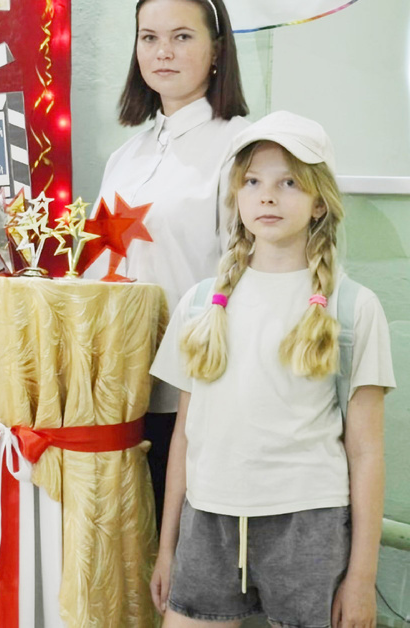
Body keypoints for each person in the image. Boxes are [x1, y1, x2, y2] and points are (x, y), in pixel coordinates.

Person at [149, 112, 394, 627]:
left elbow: (367, 451)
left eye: (288, 182)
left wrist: (361, 578)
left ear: (319, 200)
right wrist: (167, 546)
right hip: (207, 519)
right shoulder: (200, 303)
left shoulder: (352, 307)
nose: (267, 196)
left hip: (309, 525)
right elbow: (184, 439)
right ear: (236, 197)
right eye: (253, 182)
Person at [88, 0, 251, 518]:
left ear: (216, 50)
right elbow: (95, 264)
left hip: (191, 392)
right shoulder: (125, 156)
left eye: (182, 37)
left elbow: (249, 275)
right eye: (148, 37)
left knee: (182, 560)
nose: (162, 52)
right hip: (113, 388)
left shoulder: (242, 149)